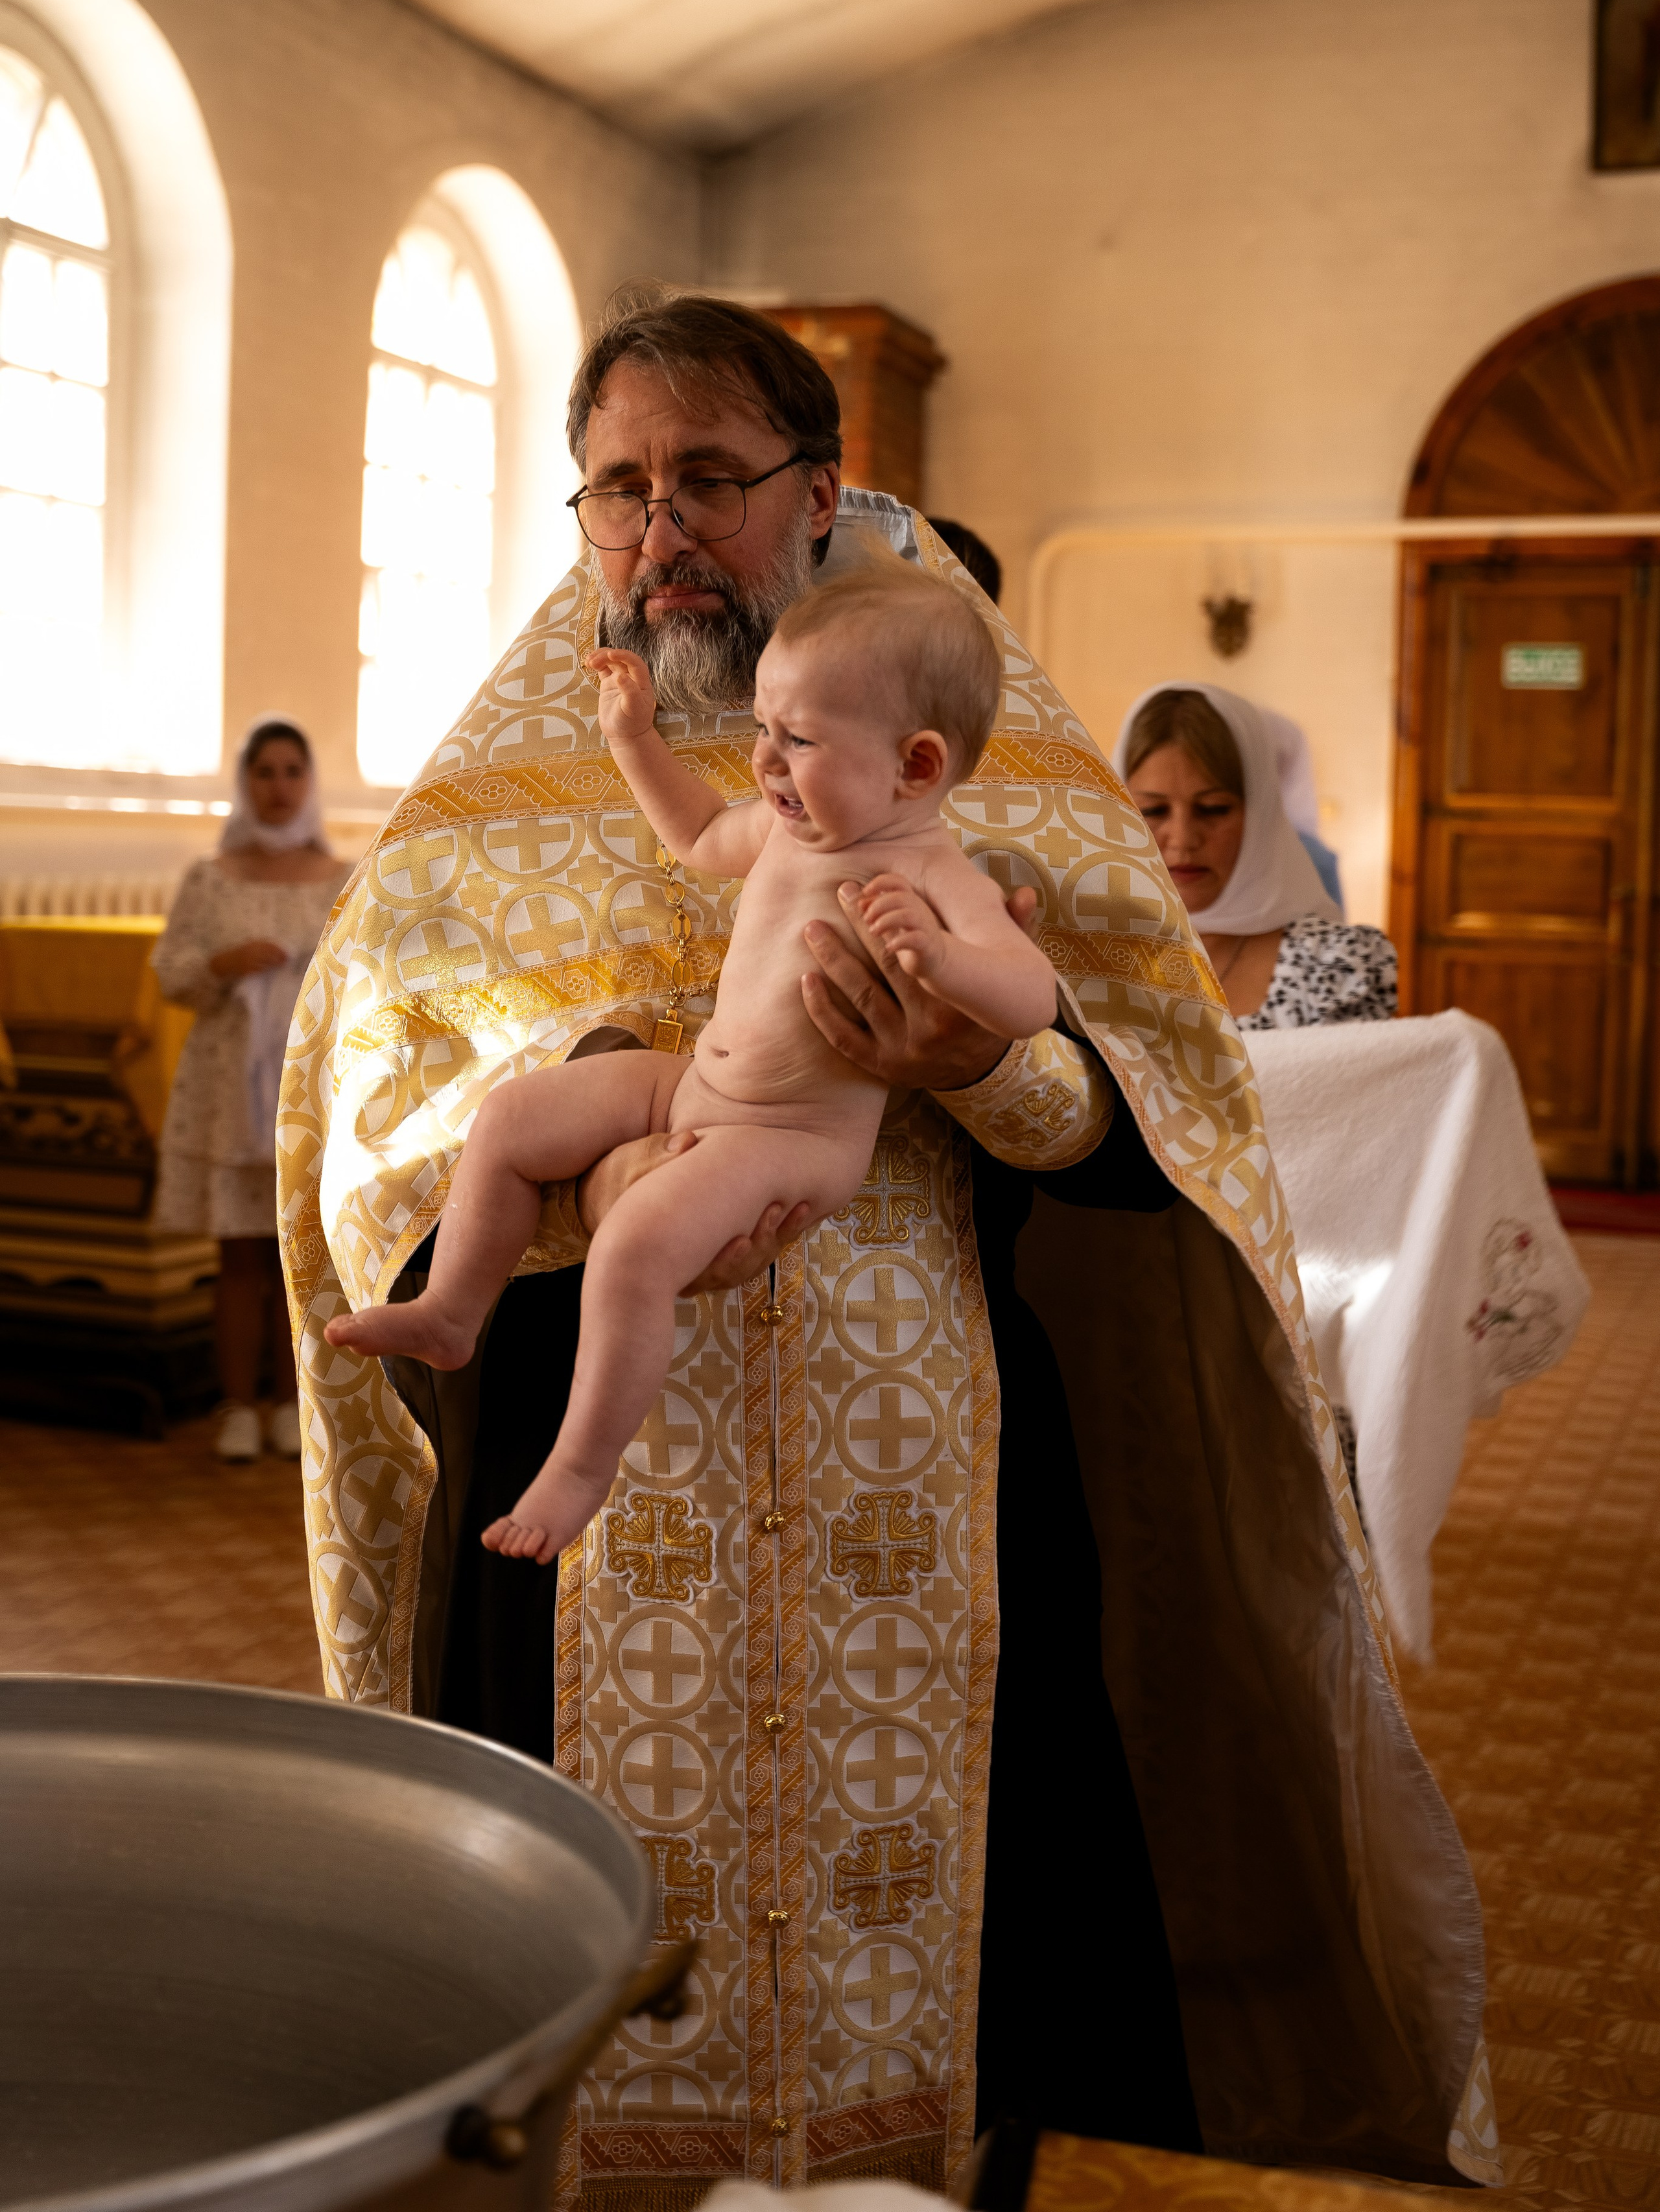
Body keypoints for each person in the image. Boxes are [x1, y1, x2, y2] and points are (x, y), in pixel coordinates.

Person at [279, 292, 1494, 2197]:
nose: (656, 527)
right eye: (615, 487)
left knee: (929, 1887)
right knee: (567, 1936)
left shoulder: (969, 754)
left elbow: (1155, 1111)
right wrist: (597, 1114)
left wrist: (985, 1066)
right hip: (578, 1434)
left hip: (906, 1427)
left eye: (704, 477)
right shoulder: (481, 807)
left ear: (817, 488)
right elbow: (363, 1125)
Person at [324, 565, 1054, 1560]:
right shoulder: (795, 829)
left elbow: (1033, 995)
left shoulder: (927, 869)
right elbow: (702, 832)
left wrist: (945, 960)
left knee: (634, 1246)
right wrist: (633, 739)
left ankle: (579, 1470)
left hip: (790, 1136)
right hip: (700, 1082)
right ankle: (453, 1310)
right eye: (764, 730)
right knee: (513, 1120)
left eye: (797, 741)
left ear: (916, 768)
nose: (765, 762)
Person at [152, 718, 348, 1461]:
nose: (277, 786)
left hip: (307, 1089)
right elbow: (172, 972)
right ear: (245, 782)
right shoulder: (211, 877)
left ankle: (295, 1405)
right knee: (239, 1251)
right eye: (263, 772)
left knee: (299, 1254)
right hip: (230, 1088)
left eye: (291, 771)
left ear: (309, 782)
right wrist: (224, 962)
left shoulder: (340, 878)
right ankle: (237, 1404)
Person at [1116, 681, 1397, 1030]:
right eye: (1154, 810)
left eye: (1213, 809)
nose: (1183, 841)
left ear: (1260, 815)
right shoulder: (1082, 958)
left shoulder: (1337, 966)